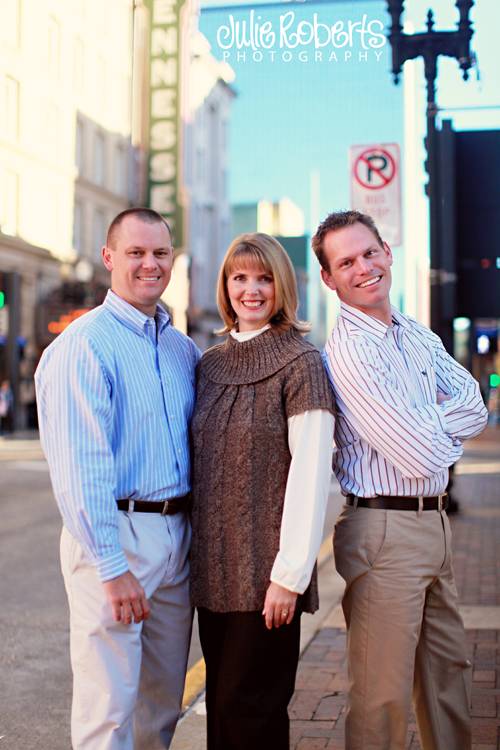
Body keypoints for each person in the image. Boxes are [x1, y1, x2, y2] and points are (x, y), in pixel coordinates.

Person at [312, 209, 488, 750]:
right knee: (382, 696)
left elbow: (476, 407)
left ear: (387, 252)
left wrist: (426, 421)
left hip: (432, 523)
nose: (363, 267)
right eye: (346, 262)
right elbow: (417, 454)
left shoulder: (414, 333)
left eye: (369, 253)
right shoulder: (349, 351)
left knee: (449, 678)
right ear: (329, 278)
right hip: (382, 530)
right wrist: (434, 423)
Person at [35, 208, 199, 750]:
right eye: (136, 253)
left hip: (178, 538)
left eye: (160, 253)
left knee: (160, 708)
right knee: (107, 713)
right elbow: (80, 467)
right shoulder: (82, 346)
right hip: (116, 538)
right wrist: (110, 564)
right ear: (109, 258)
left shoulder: (181, 349)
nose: (150, 264)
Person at [190, 233, 335, 750]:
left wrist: (290, 576)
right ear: (225, 286)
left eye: (264, 278)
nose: (250, 290)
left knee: (250, 712)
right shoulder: (207, 365)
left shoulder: (302, 363)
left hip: (268, 578)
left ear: (282, 286)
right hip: (213, 574)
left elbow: (311, 473)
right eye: (239, 278)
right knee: (222, 717)